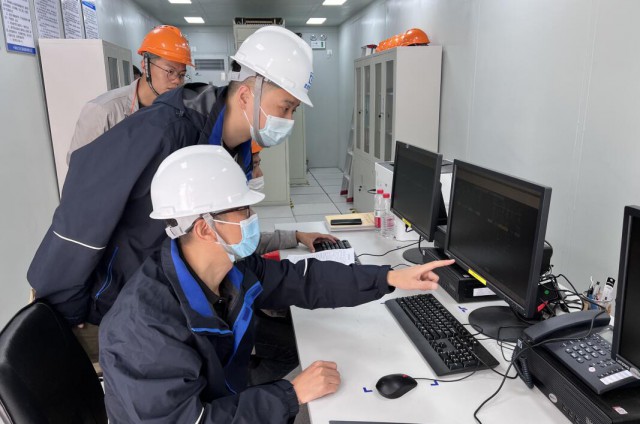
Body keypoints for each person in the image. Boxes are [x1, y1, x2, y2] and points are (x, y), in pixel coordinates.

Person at [27, 26, 333, 376]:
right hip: (114, 302)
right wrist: (63, 306)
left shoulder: (232, 149)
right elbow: (81, 214)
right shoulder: (162, 131)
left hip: (175, 290)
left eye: (294, 110)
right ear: (248, 94)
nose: (288, 121)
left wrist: (288, 240)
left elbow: (217, 230)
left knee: (270, 346)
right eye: (286, 107)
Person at [100, 145, 455, 423]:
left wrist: (389, 277)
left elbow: (301, 281)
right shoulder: (144, 327)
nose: (254, 218)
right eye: (243, 211)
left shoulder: (231, 269)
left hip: (227, 394)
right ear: (206, 228)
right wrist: (290, 394)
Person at [66, 25, 193, 164]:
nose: (177, 81)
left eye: (181, 75)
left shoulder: (178, 112)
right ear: (145, 65)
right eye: (170, 71)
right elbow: (79, 166)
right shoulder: (104, 111)